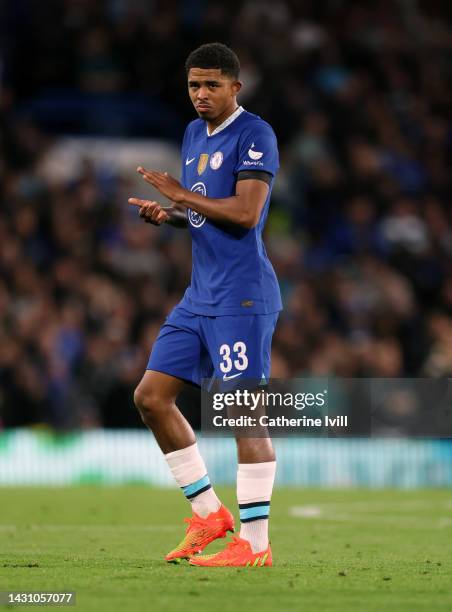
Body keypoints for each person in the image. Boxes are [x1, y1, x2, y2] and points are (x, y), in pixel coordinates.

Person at [129, 42, 282, 567]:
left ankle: (255, 545)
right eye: (194, 85)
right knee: (151, 397)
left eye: (212, 85)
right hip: (200, 297)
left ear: (235, 87)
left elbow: (243, 213)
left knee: (244, 414)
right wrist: (169, 215)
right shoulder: (194, 134)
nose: (201, 94)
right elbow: (202, 213)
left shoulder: (255, 133)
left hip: (242, 296)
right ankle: (209, 514)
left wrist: (179, 193)